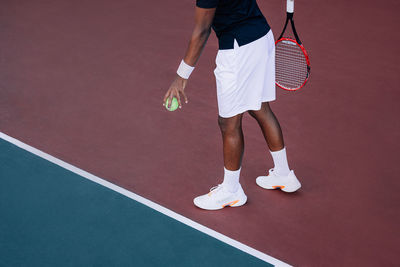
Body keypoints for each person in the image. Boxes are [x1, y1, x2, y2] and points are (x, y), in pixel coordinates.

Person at [163, 0, 301, 211]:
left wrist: (181, 77)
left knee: (229, 122)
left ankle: (231, 191)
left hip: (239, 49)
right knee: (259, 107)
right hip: (261, 36)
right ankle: (283, 174)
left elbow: (202, 30)